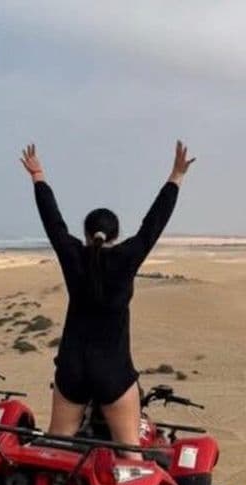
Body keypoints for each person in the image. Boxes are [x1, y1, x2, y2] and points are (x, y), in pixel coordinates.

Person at [20, 141, 195, 457]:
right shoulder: (126, 257)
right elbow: (152, 225)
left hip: (72, 368)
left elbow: (53, 223)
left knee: (57, 447)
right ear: (114, 236)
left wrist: (38, 176)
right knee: (130, 454)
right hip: (112, 371)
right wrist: (176, 176)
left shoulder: (74, 256)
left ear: (86, 234)